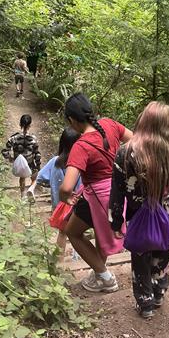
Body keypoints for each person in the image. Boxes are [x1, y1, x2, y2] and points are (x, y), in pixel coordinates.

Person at [110, 101, 169, 319]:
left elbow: (117, 191)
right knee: (162, 252)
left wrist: (116, 221)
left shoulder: (126, 152)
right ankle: (159, 292)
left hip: (137, 217)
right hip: (164, 216)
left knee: (140, 255)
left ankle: (145, 303)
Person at [59, 92, 133, 293]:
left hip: (96, 196)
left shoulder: (81, 146)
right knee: (102, 234)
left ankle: (105, 277)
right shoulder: (109, 124)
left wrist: (66, 197)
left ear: (72, 120)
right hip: (118, 190)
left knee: (72, 232)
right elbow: (135, 140)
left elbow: (66, 186)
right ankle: (99, 273)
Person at [30, 127, 81, 252]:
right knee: (78, 234)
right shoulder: (80, 162)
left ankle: (60, 261)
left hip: (59, 206)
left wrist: (32, 187)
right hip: (77, 205)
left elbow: (40, 177)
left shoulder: (54, 162)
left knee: (62, 233)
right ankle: (78, 258)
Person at [2, 114, 41, 200]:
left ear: (20, 124)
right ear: (30, 125)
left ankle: (22, 196)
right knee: (35, 178)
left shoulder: (13, 138)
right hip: (30, 162)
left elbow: (5, 151)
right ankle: (31, 190)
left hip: (19, 164)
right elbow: (37, 154)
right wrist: (38, 166)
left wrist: (11, 159)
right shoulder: (33, 138)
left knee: (22, 177)